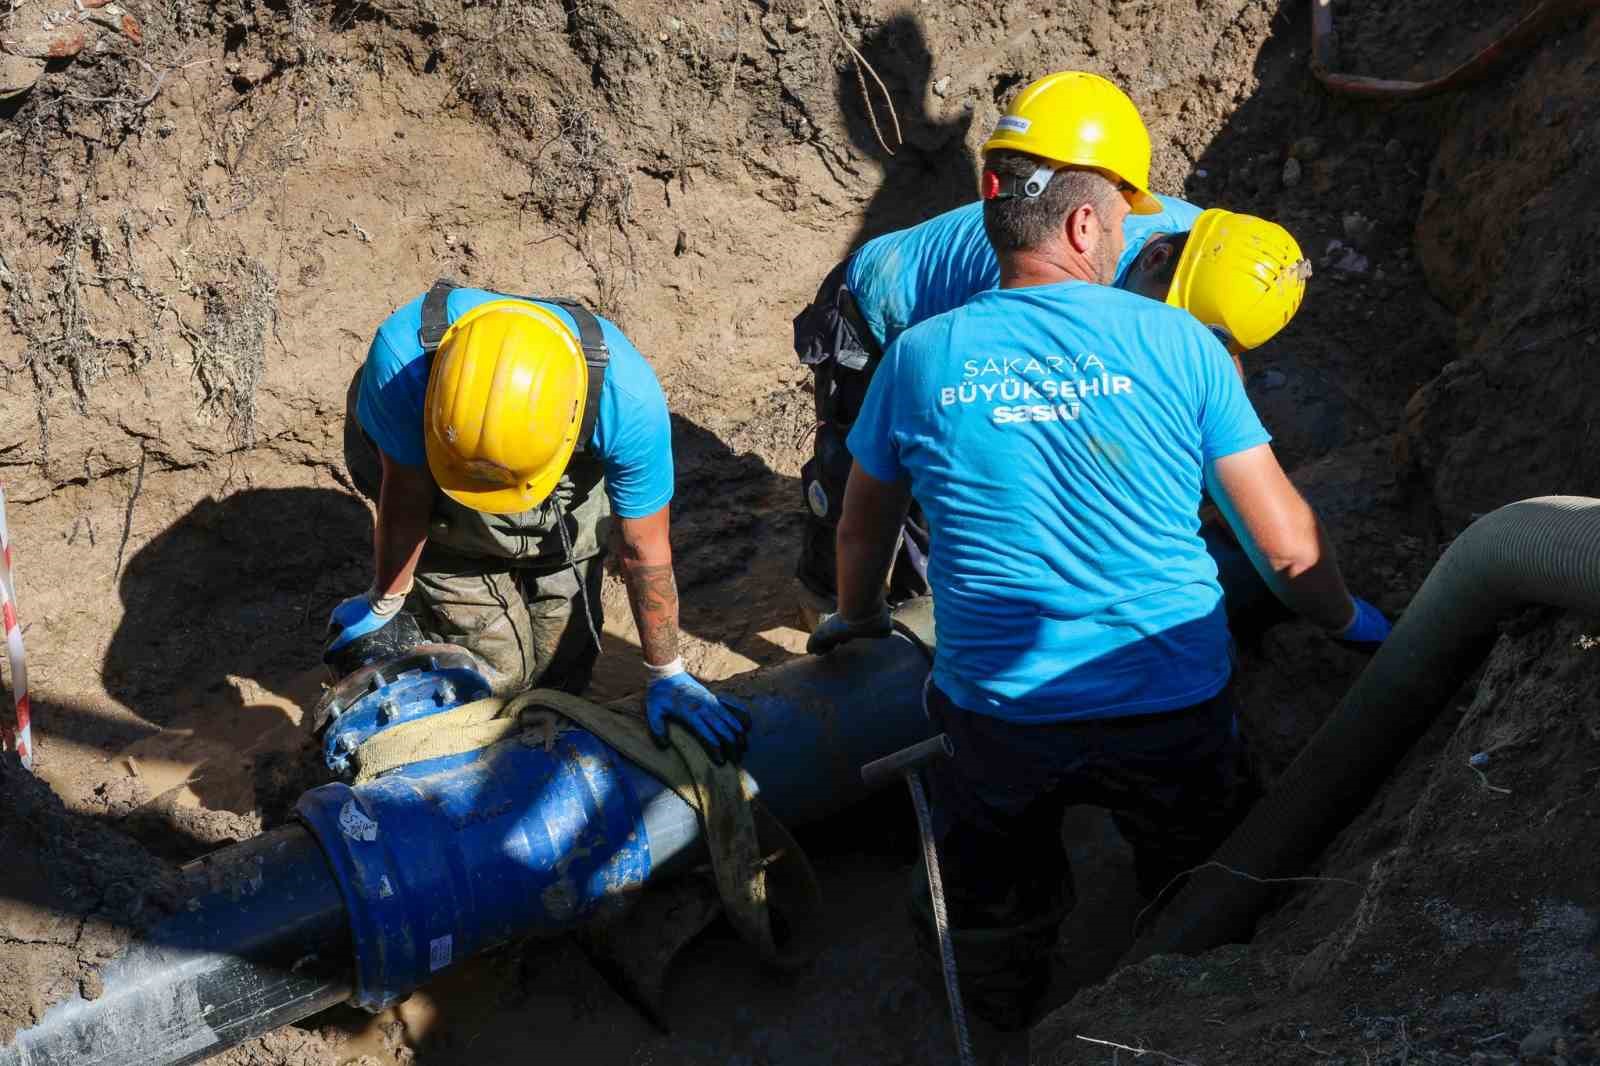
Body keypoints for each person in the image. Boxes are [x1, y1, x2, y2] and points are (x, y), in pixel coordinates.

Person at [808, 72, 1390, 1026]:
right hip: (1171, 702)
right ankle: (1201, 996)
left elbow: (864, 524)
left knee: (991, 890)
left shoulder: (920, 358)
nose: (1129, 234)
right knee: (1208, 866)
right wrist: (1350, 619)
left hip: (996, 716)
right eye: (1122, 212)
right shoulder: (1185, 345)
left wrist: (861, 616)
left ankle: (1000, 1004)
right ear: (1084, 228)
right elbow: (1284, 547)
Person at [794, 189, 1313, 633]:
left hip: (964, 327)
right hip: (879, 313)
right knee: (871, 487)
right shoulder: (1065, 280)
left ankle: (917, 608)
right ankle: (830, 602)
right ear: (1153, 258)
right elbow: (1006, 423)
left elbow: (1213, 371)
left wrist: (1224, 489)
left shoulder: (1212, 266)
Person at [326, 281, 750, 764]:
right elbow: (405, 500)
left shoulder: (628, 403)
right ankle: (484, 753)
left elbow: (644, 551)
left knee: (563, 655)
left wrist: (666, 671)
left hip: (561, 505)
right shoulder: (401, 366)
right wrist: (386, 599)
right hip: (436, 489)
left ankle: (558, 743)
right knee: (499, 666)